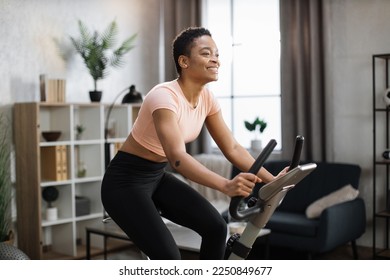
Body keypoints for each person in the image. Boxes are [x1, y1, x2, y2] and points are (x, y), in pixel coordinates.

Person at [101, 27, 285, 260]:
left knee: (217, 228)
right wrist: (226, 185)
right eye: (206, 53)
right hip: (124, 183)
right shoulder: (163, 97)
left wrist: (274, 181)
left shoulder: (207, 98)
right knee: (169, 257)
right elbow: (177, 158)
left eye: (217, 54)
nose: (215, 59)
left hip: (156, 176)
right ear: (184, 61)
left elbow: (233, 148)